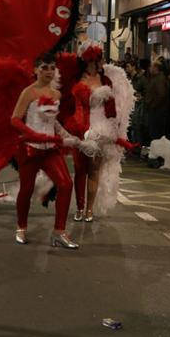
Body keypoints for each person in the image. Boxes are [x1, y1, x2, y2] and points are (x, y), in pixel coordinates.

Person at [11, 53, 79, 248]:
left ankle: (59, 231)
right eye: (44, 67)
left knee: (66, 184)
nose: (49, 72)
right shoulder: (28, 93)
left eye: (52, 68)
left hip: (50, 150)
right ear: (35, 70)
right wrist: (33, 134)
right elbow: (15, 119)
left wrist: (68, 136)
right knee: (27, 189)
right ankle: (21, 227)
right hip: (30, 149)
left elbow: (53, 121)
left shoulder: (56, 94)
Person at [67, 41, 134, 222]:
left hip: (102, 129)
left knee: (94, 170)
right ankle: (80, 208)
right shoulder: (76, 79)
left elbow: (116, 109)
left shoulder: (107, 80)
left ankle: (89, 209)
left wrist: (117, 131)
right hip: (80, 129)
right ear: (89, 60)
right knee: (80, 170)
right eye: (98, 58)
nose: (101, 62)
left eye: (100, 58)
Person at [145, 59, 169, 143]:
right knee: (154, 132)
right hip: (156, 109)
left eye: (151, 66)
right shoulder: (155, 78)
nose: (149, 68)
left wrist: (153, 105)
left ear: (156, 68)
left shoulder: (159, 79)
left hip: (157, 110)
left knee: (156, 133)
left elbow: (161, 94)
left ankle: (158, 152)